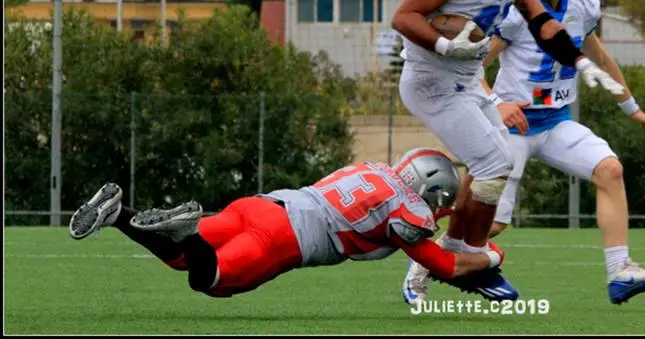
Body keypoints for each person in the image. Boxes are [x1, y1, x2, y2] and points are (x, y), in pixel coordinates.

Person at [402, 0, 645, 306]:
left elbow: (600, 57)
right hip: (514, 124)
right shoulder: (514, 10)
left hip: (556, 121)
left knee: (610, 169)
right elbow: (475, 63)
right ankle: (424, 265)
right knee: (492, 222)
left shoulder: (583, 4)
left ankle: (620, 271)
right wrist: (497, 105)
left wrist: (633, 108)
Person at [68, 148, 511, 300]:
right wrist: (491, 255)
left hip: (265, 203)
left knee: (182, 261)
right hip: (286, 237)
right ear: (430, 191)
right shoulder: (407, 213)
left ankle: (118, 215)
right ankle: (184, 229)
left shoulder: (374, 169)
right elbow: (445, 266)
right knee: (211, 280)